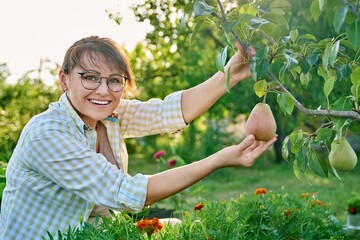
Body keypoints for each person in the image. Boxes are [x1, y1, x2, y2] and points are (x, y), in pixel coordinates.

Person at [0, 36, 277, 239]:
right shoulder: (47, 135)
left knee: (181, 228)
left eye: (114, 80)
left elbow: (169, 112)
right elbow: (128, 194)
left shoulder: (109, 115)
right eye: (90, 78)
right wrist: (219, 159)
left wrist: (230, 74)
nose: (103, 91)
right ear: (64, 79)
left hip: (92, 234)